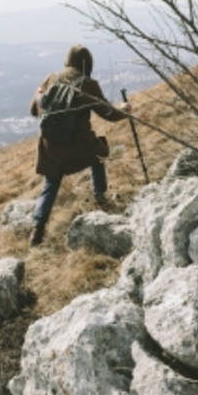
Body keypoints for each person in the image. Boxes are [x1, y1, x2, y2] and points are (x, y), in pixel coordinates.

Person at [28, 44, 129, 246]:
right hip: (78, 145)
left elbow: (33, 110)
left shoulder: (51, 79)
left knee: (51, 184)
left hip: (51, 146)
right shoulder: (88, 84)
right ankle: (100, 198)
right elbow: (109, 114)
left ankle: (37, 228)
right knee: (99, 155)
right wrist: (125, 109)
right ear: (87, 64)